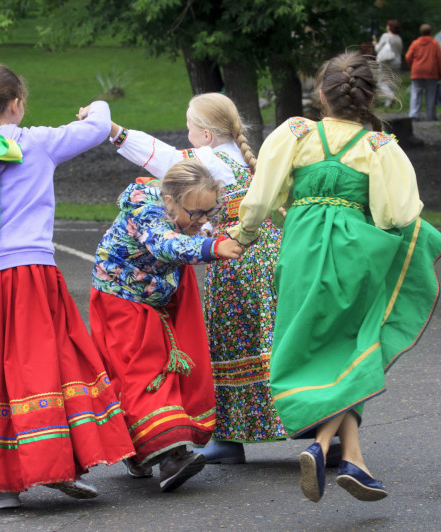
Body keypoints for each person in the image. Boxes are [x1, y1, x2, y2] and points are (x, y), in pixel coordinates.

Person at [228, 52, 441, 503]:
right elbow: (397, 216)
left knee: (316, 347)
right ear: (365, 98)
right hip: (354, 254)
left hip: (301, 250)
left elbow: (262, 196)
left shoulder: (295, 134)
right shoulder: (380, 148)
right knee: (356, 344)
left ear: (321, 95)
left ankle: (349, 456)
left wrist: (242, 235)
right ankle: (333, 449)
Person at [0, 64, 136, 508]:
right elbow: (95, 128)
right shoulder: (37, 142)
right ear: (16, 104)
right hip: (34, 275)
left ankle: (3, 488)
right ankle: (56, 462)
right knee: (50, 366)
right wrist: (97, 106)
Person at [107, 93, 290, 466]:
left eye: (189, 126)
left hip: (234, 252)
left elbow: (157, 156)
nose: (186, 133)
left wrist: (113, 131)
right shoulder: (246, 159)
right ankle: (319, 424)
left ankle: (226, 437)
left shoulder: (204, 161)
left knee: (228, 342)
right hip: (271, 251)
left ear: (205, 134)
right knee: (277, 334)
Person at [89, 159, 243, 492]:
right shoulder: (147, 210)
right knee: (144, 369)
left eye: (209, 212)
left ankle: (142, 451)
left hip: (159, 292)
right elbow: (165, 244)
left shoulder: (185, 210)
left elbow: (190, 235)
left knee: (179, 364)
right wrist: (213, 247)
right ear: (170, 201)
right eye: (196, 213)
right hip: (122, 299)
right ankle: (173, 454)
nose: (202, 221)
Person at [406, 24, 441, 121]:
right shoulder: (434, 44)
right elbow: (439, 59)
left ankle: (414, 115)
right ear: (431, 32)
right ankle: (430, 116)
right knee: (431, 94)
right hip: (431, 72)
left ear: (421, 32)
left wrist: (413, 66)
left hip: (417, 71)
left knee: (415, 93)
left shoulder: (415, 43)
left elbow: (408, 57)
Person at [374, 19, 403, 107]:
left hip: (386, 61)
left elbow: (378, 49)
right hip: (397, 62)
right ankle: (388, 104)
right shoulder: (399, 38)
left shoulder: (386, 36)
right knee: (392, 81)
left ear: (389, 27)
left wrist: (375, 44)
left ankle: (391, 96)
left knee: (381, 81)